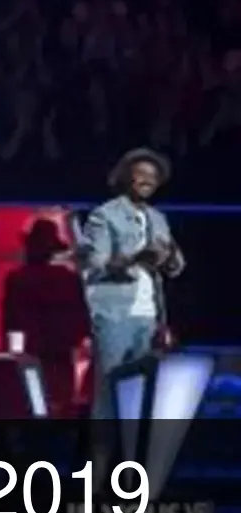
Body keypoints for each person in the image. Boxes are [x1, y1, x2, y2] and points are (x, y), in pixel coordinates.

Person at [81, 147, 185, 422]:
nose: (147, 180)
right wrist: (136, 257)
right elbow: (96, 265)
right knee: (109, 388)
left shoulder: (158, 218)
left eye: (153, 176)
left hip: (149, 315)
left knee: (140, 393)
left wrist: (169, 257)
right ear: (126, 177)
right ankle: (101, 448)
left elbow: (176, 267)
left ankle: (133, 448)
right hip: (114, 315)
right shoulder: (104, 215)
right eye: (141, 174)